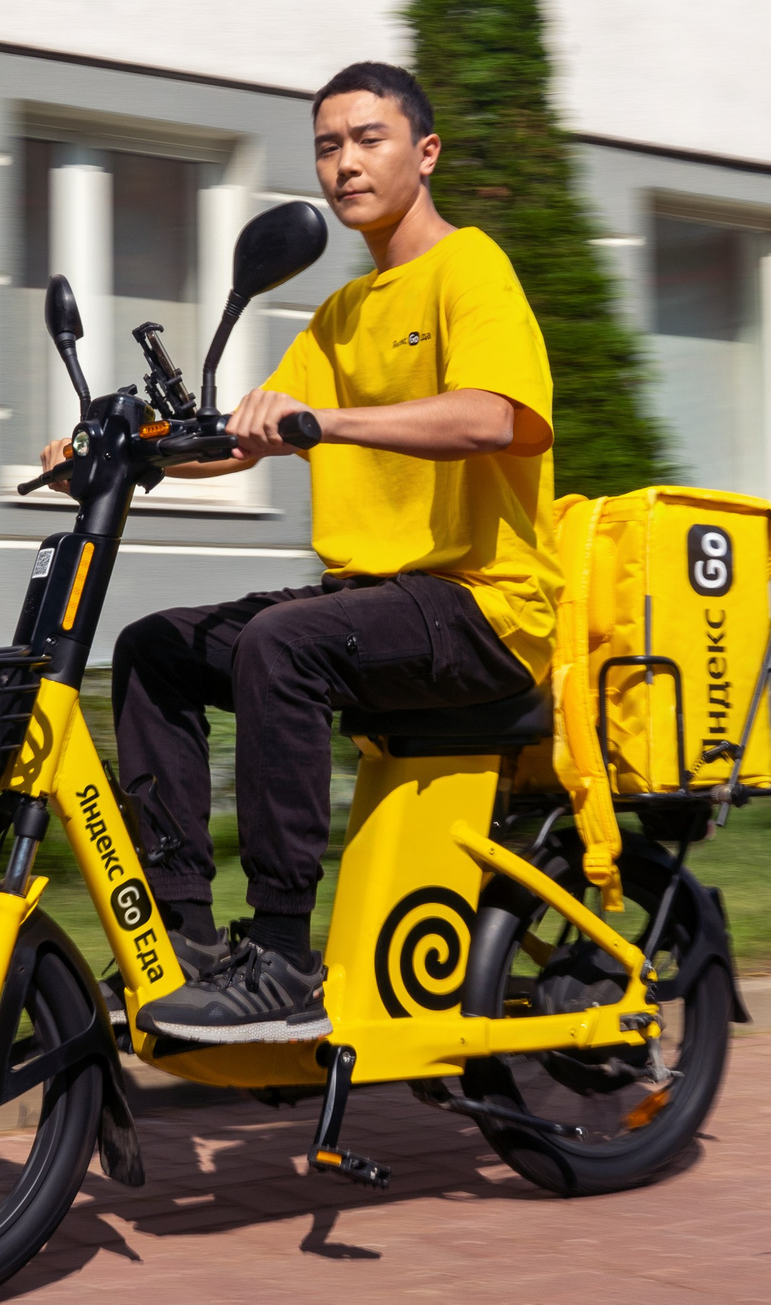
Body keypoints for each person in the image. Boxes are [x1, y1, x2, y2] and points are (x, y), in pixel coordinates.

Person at [43, 61, 561, 1043]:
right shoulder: (342, 315)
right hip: (378, 604)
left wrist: (325, 420)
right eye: (328, 146)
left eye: (368, 139)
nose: (345, 163)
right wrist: (113, 457)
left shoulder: (470, 268)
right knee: (155, 648)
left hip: (483, 607)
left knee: (281, 644)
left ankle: (282, 956)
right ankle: (183, 939)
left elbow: (494, 417)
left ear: (425, 152)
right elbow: (245, 442)